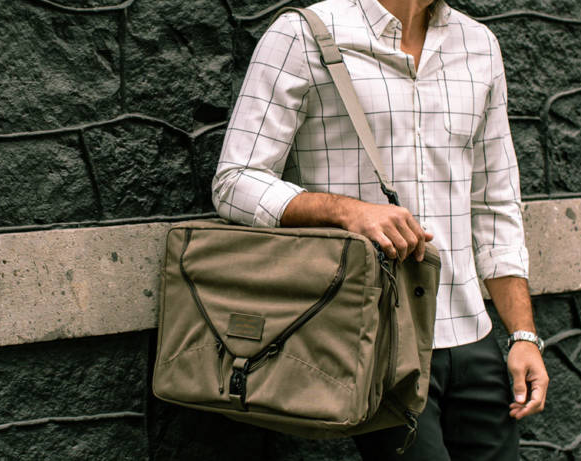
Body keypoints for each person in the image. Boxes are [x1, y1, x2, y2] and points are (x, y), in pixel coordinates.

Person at [212, 0, 549, 459]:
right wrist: (346, 211)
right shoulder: (303, 34)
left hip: (474, 339)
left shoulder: (479, 44)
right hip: (374, 341)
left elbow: (494, 204)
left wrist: (523, 336)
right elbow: (235, 181)